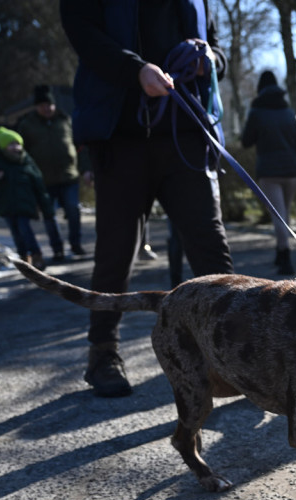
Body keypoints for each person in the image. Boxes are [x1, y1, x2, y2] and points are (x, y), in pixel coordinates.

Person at [60, 0, 235, 398]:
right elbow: (84, 34)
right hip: (120, 135)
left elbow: (218, 47)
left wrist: (211, 60)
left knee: (210, 246)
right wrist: (135, 70)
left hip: (187, 131)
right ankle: (102, 352)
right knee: (116, 251)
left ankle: (230, 355)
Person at [241, 70, 296, 276]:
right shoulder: (290, 113)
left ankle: (286, 258)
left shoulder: (256, 112)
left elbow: (246, 142)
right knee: (284, 213)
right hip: (292, 171)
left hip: (269, 172)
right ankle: (280, 253)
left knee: (278, 216)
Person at [16, 84, 86, 261]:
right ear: (36, 107)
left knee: (73, 210)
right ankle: (57, 249)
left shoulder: (65, 120)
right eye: (41, 105)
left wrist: (85, 168)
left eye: (48, 104)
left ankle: (76, 244)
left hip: (69, 176)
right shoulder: (27, 125)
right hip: (43, 180)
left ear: (53, 104)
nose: (46, 108)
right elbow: (22, 152)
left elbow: (80, 145)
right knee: (50, 216)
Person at [0, 127, 54, 270]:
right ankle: (23, 258)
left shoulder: (27, 160)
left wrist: (44, 203)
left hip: (25, 203)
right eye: (11, 144)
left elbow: (38, 182)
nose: (15, 147)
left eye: (17, 143)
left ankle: (36, 255)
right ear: (4, 146)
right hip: (7, 204)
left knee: (25, 229)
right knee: (16, 232)